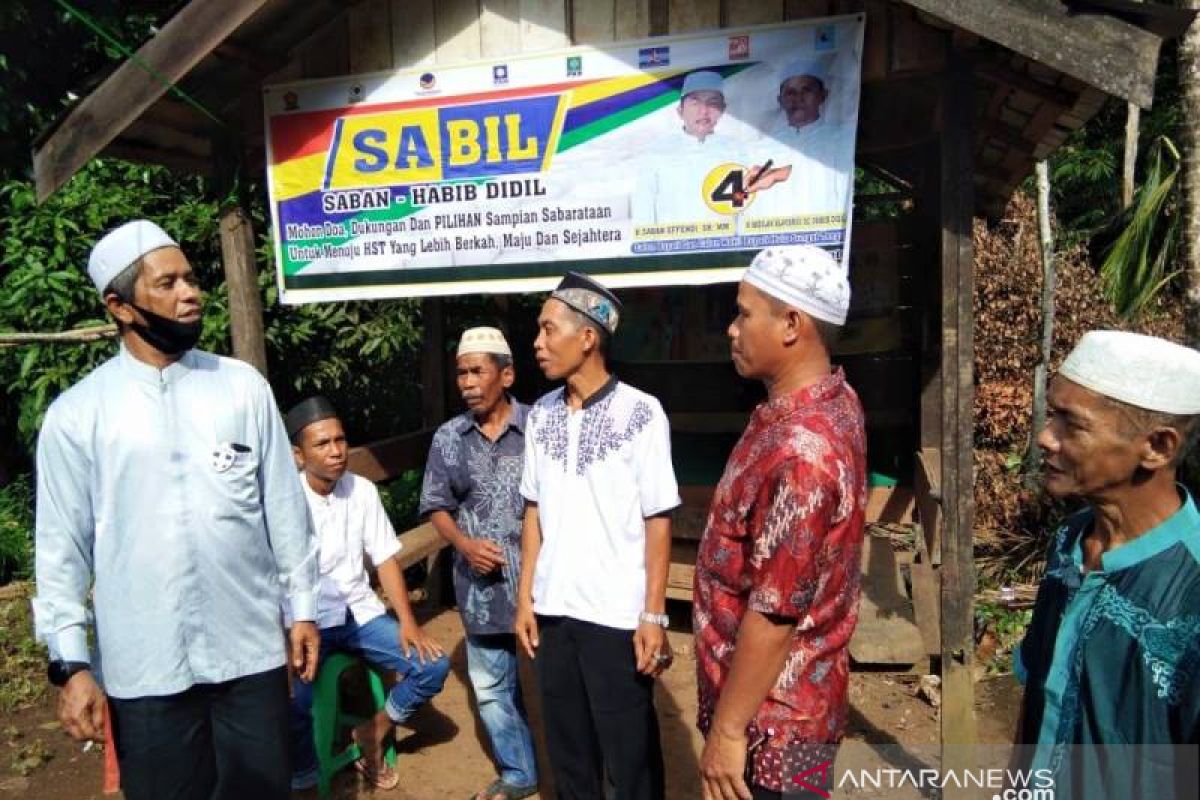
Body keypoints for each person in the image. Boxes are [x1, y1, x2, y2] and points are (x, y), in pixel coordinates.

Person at [32, 219, 320, 800]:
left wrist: (304, 609)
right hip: (146, 668)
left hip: (250, 655)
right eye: (168, 283)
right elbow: (61, 548)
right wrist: (73, 663)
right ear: (120, 306)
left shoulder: (241, 388)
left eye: (190, 278)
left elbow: (286, 513)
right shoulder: (78, 415)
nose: (191, 293)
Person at [693, 245, 866, 800]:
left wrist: (726, 730)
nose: (731, 329)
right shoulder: (837, 399)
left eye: (744, 313)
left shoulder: (800, 456)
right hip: (807, 710)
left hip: (771, 734)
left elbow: (775, 610)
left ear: (792, 324)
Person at [514, 272, 681, 800]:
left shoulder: (642, 412)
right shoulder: (540, 415)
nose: (537, 343)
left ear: (588, 337)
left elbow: (658, 519)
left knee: (629, 757)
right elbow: (533, 511)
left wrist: (654, 614)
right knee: (569, 757)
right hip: (555, 611)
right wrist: (525, 599)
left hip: (615, 616)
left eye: (548, 330)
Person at [1014, 331, 1200, 799]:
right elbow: (1038, 692)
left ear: (1157, 446)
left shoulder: (1192, 588)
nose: (1045, 437)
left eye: (1071, 425)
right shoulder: (1070, 541)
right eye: (1051, 414)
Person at [285, 395, 451, 792]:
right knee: (294, 703)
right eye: (322, 444)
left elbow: (386, 559)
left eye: (340, 440)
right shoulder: (284, 500)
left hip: (360, 615)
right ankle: (307, 779)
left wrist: (408, 623)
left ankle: (372, 732)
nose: (336, 452)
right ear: (297, 454)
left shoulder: (360, 490)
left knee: (433, 665)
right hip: (305, 624)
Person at [419, 326, 539, 800]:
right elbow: (435, 505)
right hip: (481, 590)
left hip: (541, 587)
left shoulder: (541, 428)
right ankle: (519, 772)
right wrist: (464, 545)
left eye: (477, 372)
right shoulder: (449, 439)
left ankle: (573, 769)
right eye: (461, 373)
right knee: (491, 689)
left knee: (554, 686)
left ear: (506, 374)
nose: (467, 382)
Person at [743, 58, 854, 224]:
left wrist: (776, 175)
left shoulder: (841, 138)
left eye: (806, 90)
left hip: (824, 229)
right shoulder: (764, 146)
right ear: (780, 100)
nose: (798, 98)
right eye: (790, 92)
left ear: (823, 95)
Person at [633, 70, 747, 228]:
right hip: (671, 249)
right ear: (680, 111)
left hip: (722, 246)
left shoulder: (737, 152)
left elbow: (744, 211)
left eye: (713, 103)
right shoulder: (656, 152)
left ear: (723, 109)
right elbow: (643, 211)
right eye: (695, 103)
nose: (704, 111)